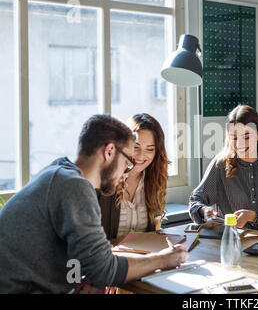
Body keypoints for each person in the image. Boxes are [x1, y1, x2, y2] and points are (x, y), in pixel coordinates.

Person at [0, 114, 188, 293]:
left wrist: (88, 274)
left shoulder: (60, 171)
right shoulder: (74, 186)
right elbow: (104, 271)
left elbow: (88, 259)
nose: (126, 172)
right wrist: (164, 259)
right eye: (127, 162)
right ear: (109, 151)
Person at [189, 104, 258, 234]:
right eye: (234, 138)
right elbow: (195, 201)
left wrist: (253, 216)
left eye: (247, 137)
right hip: (233, 242)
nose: (240, 144)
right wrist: (203, 211)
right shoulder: (221, 165)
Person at [98, 113, 169, 242]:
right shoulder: (104, 181)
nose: (141, 156)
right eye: (136, 147)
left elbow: (156, 230)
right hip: (109, 258)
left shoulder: (155, 180)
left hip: (143, 259)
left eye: (150, 149)